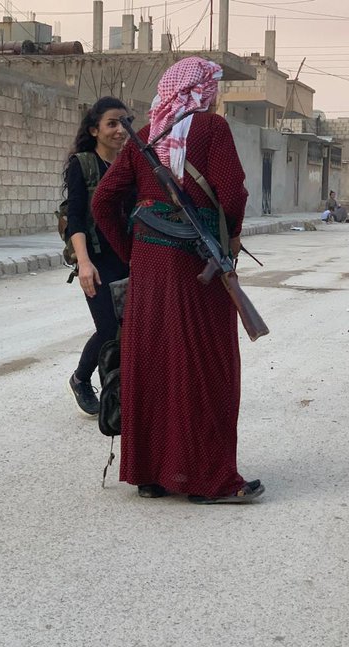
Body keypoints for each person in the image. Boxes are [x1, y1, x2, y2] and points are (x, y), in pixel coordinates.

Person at [91, 57, 264, 504]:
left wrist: (134, 253)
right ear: (201, 90)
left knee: (152, 363)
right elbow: (232, 193)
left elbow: (103, 201)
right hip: (197, 266)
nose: (216, 96)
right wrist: (230, 238)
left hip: (150, 268)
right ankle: (209, 481)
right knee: (206, 365)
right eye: (213, 87)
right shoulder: (212, 128)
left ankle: (150, 473)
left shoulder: (147, 135)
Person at [65, 97, 130, 417]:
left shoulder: (130, 163)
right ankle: (81, 378)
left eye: (125, 122)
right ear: (94, 130)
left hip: (126, 255)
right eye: (112, 123)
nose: (120, 130)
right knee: (107, 329)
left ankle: (119, 393)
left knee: (127, 329)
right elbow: (75, 218)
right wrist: (84, 263)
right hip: (96, 257)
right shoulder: (83, 164)